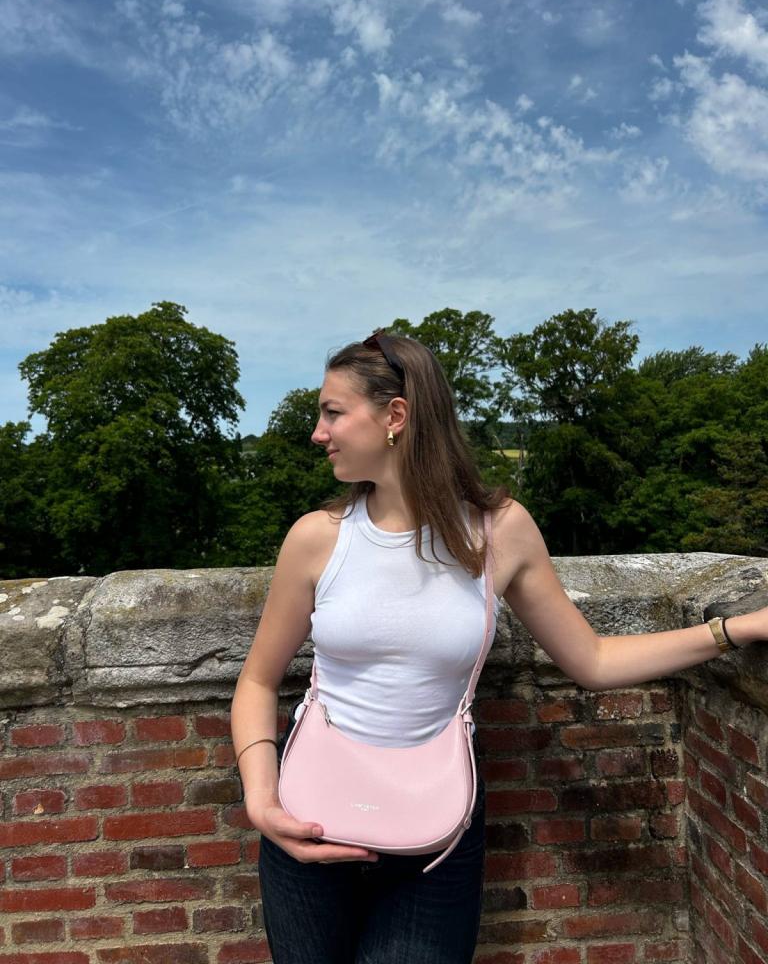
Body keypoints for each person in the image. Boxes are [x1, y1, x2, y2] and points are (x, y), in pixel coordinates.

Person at [230, 329, 767, 964]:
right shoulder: (316, 539)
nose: (318, 433)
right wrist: (262, 801)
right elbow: (258, 681)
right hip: (309, 824)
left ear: (395, 416)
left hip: (436, 836)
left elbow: (593, 660)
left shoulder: (499, 531)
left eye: (332, 412)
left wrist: (734, 630)